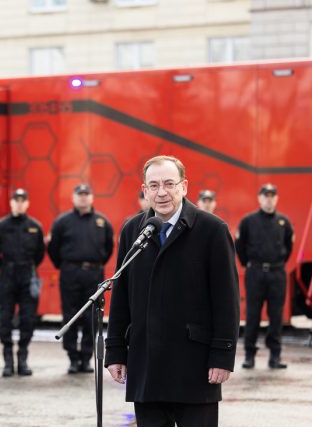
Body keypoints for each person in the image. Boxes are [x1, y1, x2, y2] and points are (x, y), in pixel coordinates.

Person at [105, 155, 240, 427]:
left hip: (195, 367)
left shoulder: (213, 230)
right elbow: (121, 297)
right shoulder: (133, 230)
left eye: (169, 183)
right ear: (145, 191)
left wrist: (223, 356)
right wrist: (116, 350)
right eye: (153, 186)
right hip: (147, 366)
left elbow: (227, 301)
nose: (162, 192)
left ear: (184, 186)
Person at [48, 183, 114, 374]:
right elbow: (53, 248)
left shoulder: (102, 222)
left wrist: (95, 264)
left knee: (92, 317)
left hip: (94, 274)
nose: (83, 197)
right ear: (74, 197)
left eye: (87, 194)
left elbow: (108, 248)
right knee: (70, 315)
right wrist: (66, 266)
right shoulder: (62, 222)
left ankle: (86, 358)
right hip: (70, 273)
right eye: (80, 194)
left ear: (92, 197)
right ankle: (72, 359)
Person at [235, 183, 294, 370]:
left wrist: (279, 263)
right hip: (256, 273)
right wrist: (249, 264)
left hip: (277, 273)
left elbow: (288, 247)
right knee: (252, 315)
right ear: (259, 198)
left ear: (276, 198)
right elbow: (240, 246)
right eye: (265, 195)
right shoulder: (248, 221)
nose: (269, 198)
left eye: (272, 195)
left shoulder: (283, 221)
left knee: (276, 316)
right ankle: (249, 356)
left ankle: (275, 357)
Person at [0, 188, 45, 377]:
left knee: (28, 318)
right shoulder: (1, 226)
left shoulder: (34, 226)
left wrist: (26, 267)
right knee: (4, 317)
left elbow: (39, 254)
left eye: (23, 200)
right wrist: (6, 266)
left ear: (27, 203)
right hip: (7, 274)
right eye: (16, 200)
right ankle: (8, 361)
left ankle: (23, 359)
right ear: (11, 202)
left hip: (28, 274)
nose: (20, 203)